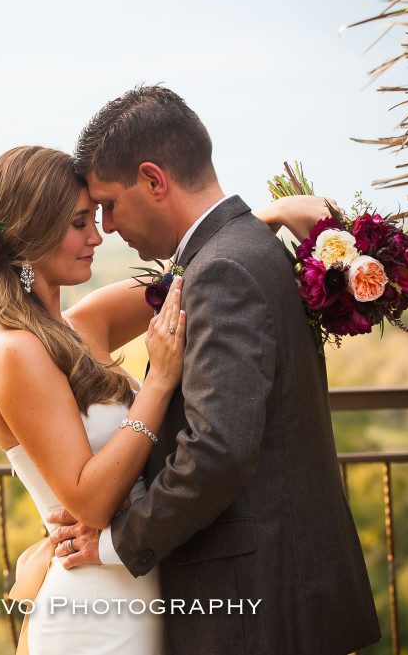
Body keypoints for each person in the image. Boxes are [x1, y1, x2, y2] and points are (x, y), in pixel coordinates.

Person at [0, 141, 337, 654]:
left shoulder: (84, 323)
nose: (97, 236)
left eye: (94, 217)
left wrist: (273, 214)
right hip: (95, 613)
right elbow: (88, 499)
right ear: (31, 232)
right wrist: (157, 384)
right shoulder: (13, 352)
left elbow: (192, 278)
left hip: (145, 590)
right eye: (78, 223)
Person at [46, 86, 382, 654]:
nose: (106, 225)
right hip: (283, 587)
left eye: (108, 203)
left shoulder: (221, 270)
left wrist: (116, 542)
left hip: (253, 604)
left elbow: (218, 449)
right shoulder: (248, 245)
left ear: (154, 181)